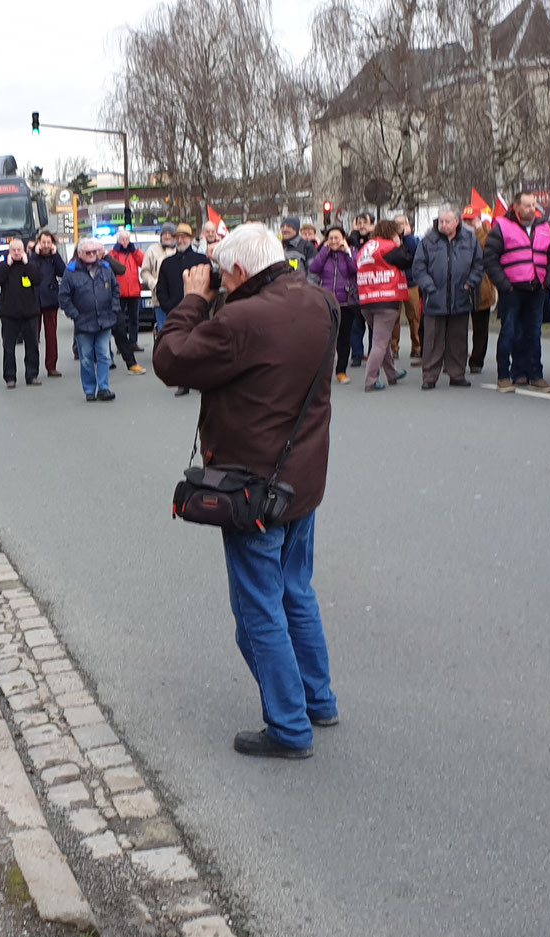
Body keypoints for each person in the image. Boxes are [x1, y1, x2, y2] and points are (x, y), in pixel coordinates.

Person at [153, 224, 337, 759]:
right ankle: (317, 700)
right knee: (296, 591)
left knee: (258, 611)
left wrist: (191, 300)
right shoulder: (320, 301)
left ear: (236, 273)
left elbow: (171, 360)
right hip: (302, 479)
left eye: (223, 276)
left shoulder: (241, 319)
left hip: (253, 488)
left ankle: (289, 726)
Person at [485, 192, 550, 393]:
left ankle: (536, 375)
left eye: (533, 205)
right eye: (526, 205)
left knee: (534, 333)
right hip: (512, 289)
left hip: (537, 288)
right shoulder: (501, 226)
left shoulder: (544, 227)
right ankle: (503, 376)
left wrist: (548, 282)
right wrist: (504, 284)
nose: (531, 209)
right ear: (516, 207)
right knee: (509, 332)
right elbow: (490, 258)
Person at [410, 205, 483, 388]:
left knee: (458, 339)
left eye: (447, 221)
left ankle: (457, 374)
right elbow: (418, 267)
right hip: (434, 299)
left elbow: (478, 264)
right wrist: (430, 288)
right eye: (441, 221)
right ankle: (429, 377)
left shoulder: (470, 240)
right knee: (433, 340)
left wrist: (470, 282)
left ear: (457, 222)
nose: (443, 224)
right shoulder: (428, 241)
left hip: (461, 296)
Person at [59, 238, 126, 403]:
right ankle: (89, 390)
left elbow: (116, 289)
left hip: (105, 320)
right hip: (83, 323)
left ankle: (104, 388)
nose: (91, 255)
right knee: (87, 358)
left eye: (94, 252)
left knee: (104, 355)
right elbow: (64, 297)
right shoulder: (71, 271)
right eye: (88, 252)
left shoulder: (106, 268)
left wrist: (114, 308)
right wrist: (75, 315)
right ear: (80, 253)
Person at [356, 219, 412, 391]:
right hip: (386, 299)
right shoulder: (389, 248)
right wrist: (399, 245)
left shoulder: (365, 249)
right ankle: (371, 380)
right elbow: (407, 261)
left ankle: (392, 373)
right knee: (380, 342)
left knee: (383, 339)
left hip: (366, 300)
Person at [155, 224, 211, 397]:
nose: (180, 240)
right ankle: (183, 383)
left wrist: (204, 304)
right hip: (176, 312)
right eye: (177, 237)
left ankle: (203, 380)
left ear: (191, 238)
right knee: (181, 349)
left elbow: (210, 286)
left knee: (201, 347)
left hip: (199, 312)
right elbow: (161, 288)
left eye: (184, 237)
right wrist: (169, 305)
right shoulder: (167, 263)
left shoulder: (202, 260)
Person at [308, 224, 358, 385]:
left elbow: (355, 270)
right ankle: (323, 371)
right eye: (330, 238)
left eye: (337, 238)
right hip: (327, 302)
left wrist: (347, 253)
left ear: (343, 238)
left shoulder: (351, 253)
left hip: (345, 302)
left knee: (344, 338)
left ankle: (341, 371)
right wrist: (324, 250)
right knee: (326, 338)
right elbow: (314, 268)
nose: (334, 241)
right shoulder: (324, 253)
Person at [0, 237, 42, 387]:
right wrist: (7, 265)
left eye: (19, 250)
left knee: (32, 346)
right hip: (9, 315)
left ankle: (32, 375)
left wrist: (26, 263)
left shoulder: (31, 265)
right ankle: (10, 377)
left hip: (30, 314)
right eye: (13, 250)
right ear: (9, 252)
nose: (16, 253)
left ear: (24, 251)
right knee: (8, 348)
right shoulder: (4, 267)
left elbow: (38, 279)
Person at [109, 230, 148, 375]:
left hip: (134, 291)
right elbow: (111, 263)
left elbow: (143, 262)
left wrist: (135, 250)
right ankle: (122, 345)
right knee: (121, 321)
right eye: (122, 239)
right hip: (120, 291)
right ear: (118, 240)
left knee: (134, 319)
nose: (125, 241)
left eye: (127, 239)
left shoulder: (134, 252)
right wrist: (115, 250)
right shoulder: (114, 253)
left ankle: (133, 342)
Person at [31, 232, 67, 379]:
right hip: (34, 300)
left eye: (48, 242)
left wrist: (56, 254)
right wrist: (34, 254)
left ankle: (51, 366)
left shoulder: (54, 258)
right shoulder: (32, 257)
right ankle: (32, 369)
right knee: (33, 336)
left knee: (51, 336)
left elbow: (63, 272)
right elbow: (29, 271)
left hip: (51, 300)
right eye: (43, 242)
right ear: (38, 242)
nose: (45, 245)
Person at [467, 211, 497, 375]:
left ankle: (477, 360)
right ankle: (454, 359)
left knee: (481, 329)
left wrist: (479, 229)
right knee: (457, 329)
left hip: (482, 288)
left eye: (471, 220)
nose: (468, 223)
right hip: (461, 287)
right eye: (466, 220)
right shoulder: (457, 234)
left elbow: (483, 250)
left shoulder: (487, 234)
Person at [395, 213, 425, 361]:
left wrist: (407, 236)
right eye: (397, 224)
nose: (399, 227)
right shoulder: (391, 240)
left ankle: (417, 346)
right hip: (394, 284)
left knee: (414, 316)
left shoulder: (412, 240)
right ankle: (394, 347)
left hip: (411, 282)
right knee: (394, 317)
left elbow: (415, 254)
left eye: (402, 224)